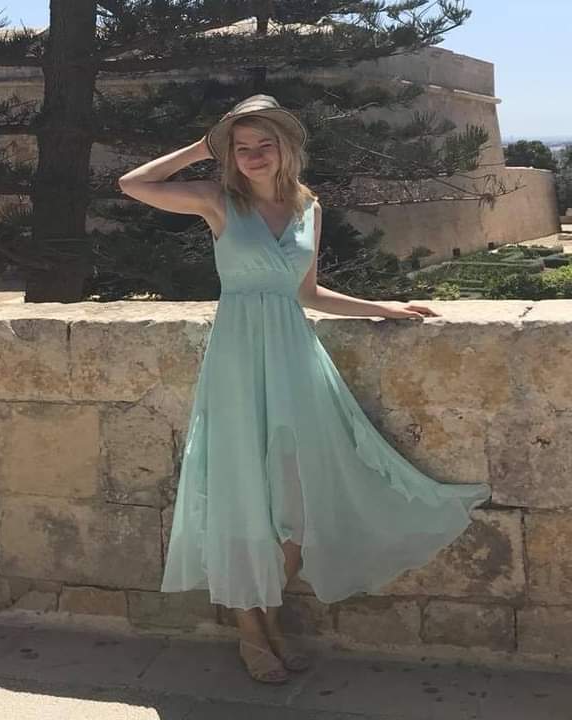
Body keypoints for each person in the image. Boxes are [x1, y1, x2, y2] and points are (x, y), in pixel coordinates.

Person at [118, 94, 491, 685]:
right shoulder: (218, 200)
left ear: (286, 148)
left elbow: (308, 294)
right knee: (242, 493)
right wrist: (202, 146)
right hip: (237, 361)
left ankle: (267, 616)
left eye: (264, 144)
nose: (253, 155)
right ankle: (251, 631)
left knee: (297, 502)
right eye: (242, 147)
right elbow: (133, 184)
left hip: (294, 358)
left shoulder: (307, 208)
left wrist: (383, 308)